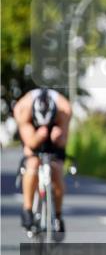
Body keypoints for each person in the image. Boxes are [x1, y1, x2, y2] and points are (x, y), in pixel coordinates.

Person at [14, 87, 72, 237]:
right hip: (32, 133)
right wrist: (38, 137)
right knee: (32, 164)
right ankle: (27, 210)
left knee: (57, 170)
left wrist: (58, 137)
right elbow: (30, 143)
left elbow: (64, 142)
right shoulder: (23, 110)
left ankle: (58, 216)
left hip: (55, 131)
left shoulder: (64, 110)